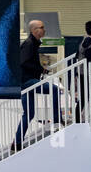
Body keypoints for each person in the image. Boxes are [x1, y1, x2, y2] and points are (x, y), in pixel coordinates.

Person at [14, 19, 61, 148]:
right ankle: (57, 121)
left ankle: (17, 143)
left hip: (25, 82)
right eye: (42, 27)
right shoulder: (29, 44)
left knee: (29, 114)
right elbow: (23, 62)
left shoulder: (32, 44)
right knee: (55, 90)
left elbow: (27, 62)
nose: (44, 29)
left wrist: (41, 68)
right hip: (28, 81)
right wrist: (41, 69)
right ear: (34, 30)